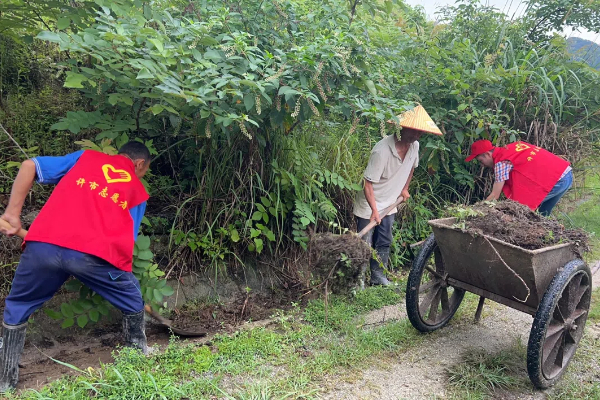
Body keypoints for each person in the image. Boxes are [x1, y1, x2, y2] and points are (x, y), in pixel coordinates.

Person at [0, 141, 151, 392]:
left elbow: (29, 165)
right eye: (144, 171)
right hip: (91, 256)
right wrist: (126, 287)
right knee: (132, 298)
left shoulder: (85, 157)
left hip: (42, 247)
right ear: (139, 164)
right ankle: (136, 359)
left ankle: (5, 384)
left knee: (18, 306)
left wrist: (13, 216)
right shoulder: (137, 191)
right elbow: (124, 244)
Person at [353, 105, 443, 286]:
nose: (417, 136)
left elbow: (411, 167)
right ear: (401, 127)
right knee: (365, 244)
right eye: (414, 131)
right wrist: (374, 210)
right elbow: (367, 183)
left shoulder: (414, 146)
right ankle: (358, 281)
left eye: (420, 132)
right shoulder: (381, 151)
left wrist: (405, 188)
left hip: (391, 202)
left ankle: (378, 277)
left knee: (384, 240)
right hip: (369, 204)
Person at [465, 139, 573, 216]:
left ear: (488, 154)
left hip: (557, 181)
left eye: (481, 161)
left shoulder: (501, 162)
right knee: (542, 215)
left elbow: (494, 195)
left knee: (520, 211)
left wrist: (476, 211)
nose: (482, 165)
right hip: (565, 173)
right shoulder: (513, 147)